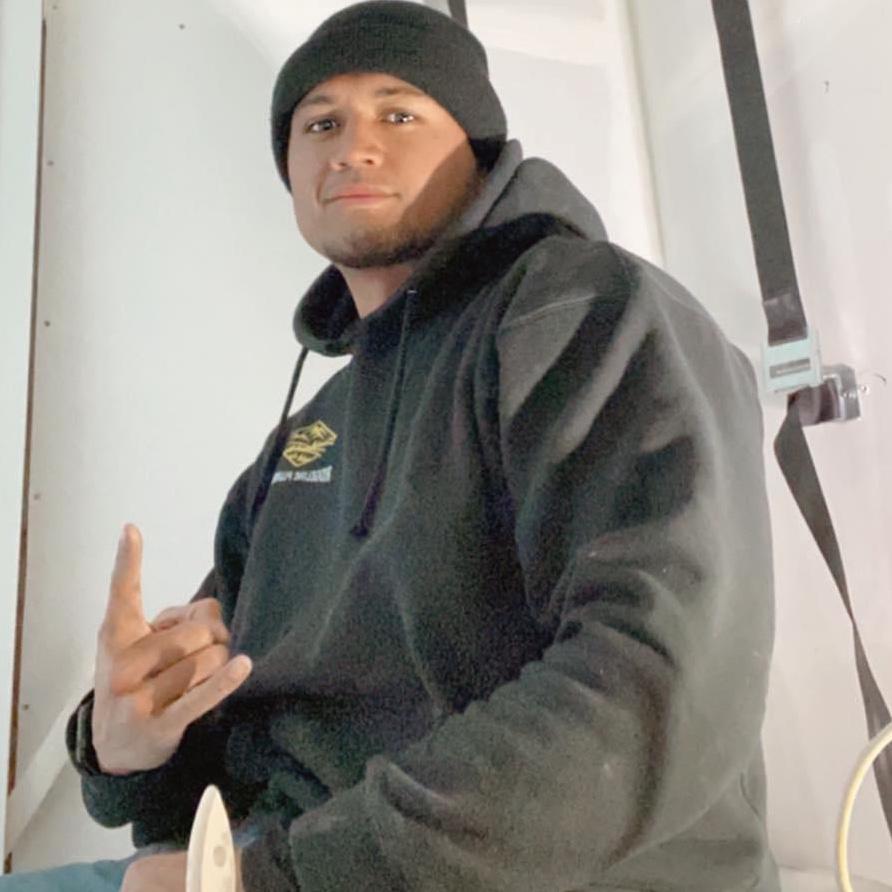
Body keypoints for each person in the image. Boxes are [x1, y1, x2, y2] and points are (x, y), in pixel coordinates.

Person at [2, 1, 781, 889]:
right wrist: (125, 745)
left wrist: (275, 879)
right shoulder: (304, 443)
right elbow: (220, 758)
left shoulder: (588, 312)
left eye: (399, 113)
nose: (353, 147)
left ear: (478, 147)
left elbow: (656, 688)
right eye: (320, 124)